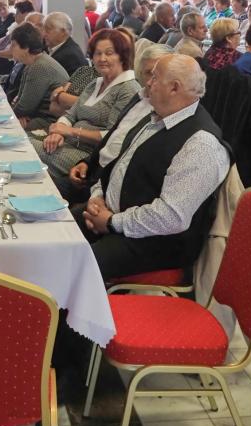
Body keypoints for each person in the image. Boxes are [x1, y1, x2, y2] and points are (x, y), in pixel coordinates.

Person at [79, 54, 230, 279]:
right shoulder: (157, 117)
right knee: (58, 229)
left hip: (155, 242)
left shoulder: (201, 144)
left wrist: (111, 222)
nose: (148, 82)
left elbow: (171, 217)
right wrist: (97, 198)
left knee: (77, 266)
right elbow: (118, 166)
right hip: (115, 217)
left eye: (155, 77)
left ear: (174, 87)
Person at [35, 29, 137, 196]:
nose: (102, 58)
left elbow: (113, 136)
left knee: (28, 150)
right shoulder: (95, 83)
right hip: (66, 144)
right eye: (97, 53)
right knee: (25, 145)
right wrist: (58, 133)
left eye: (109, 53)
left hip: (87, 157)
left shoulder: (128, 89)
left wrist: (70, 131)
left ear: (122, 56)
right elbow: (70, 115)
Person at [67, 44, 172, 199]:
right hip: (95, 172)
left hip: (111, 187)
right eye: (148, 73)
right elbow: (113, 137)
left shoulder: (166, 113)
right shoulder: (139, 97)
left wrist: (99, 195)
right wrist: (87, 163)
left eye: (109, 53)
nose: (151, 81)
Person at [8, 24, 69, 129]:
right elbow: (21, 101)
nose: (10, 48)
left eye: (13, 45)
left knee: (6, 127)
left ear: (26, 48)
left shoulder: (39, 67)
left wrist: (9, 116)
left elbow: (25, 107)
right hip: (37, 116)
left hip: (50, 121)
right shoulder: (34, 63)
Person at [43, 12, 87, 76]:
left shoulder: (69, 56)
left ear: (63, 32)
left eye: (48, 30)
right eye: (44, 30)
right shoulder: (62, 48)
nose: (44, 34)